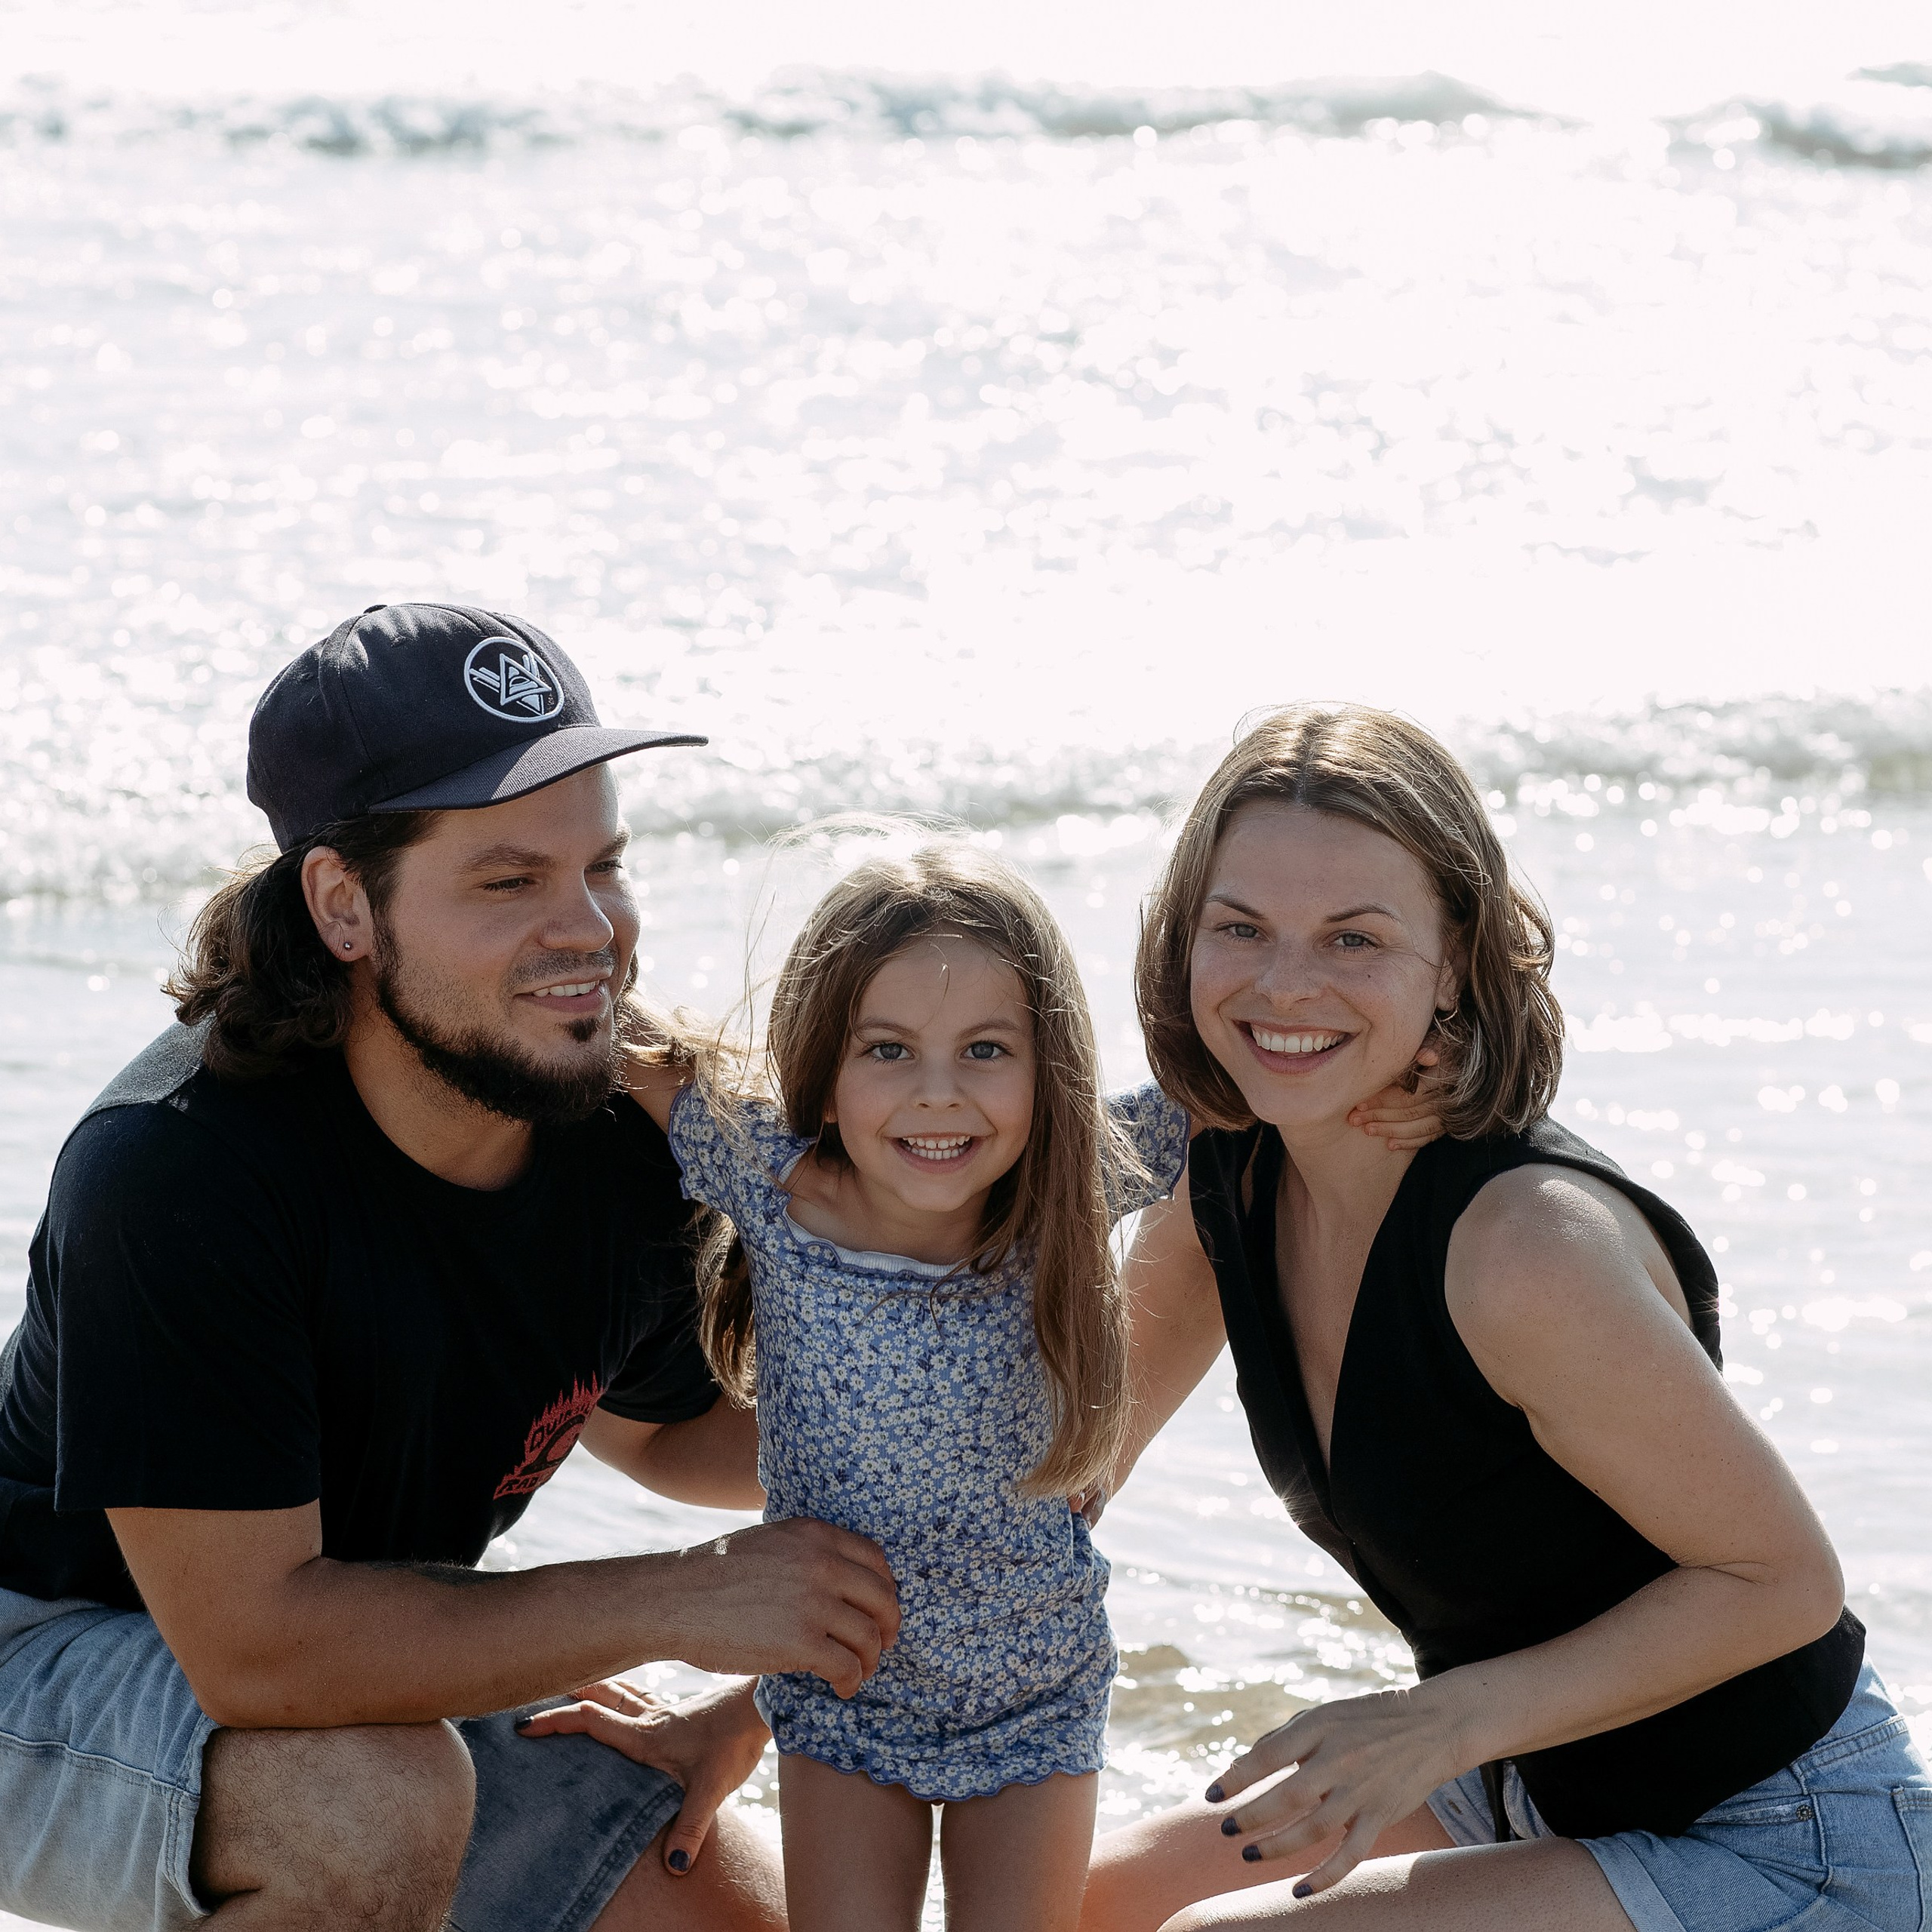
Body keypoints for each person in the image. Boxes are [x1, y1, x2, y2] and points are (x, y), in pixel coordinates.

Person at [0, 602, 901, 1932]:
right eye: (508, 880)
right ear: (344, 904)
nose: (590, 927)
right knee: (373, 1807)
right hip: (52, 1650)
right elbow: (258, 1651)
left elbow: (668, 1439)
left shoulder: (618, 1120)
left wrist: (911, 1390)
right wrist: (684, 1601)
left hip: (368, 1656)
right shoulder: (177, 1172)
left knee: (730, 1906)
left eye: (606, 864)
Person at [1075, 703, 1931, 1932]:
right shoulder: (1233, 1176)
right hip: (1540, 1787)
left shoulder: (1524, 1246)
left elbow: (1783, 1581)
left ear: (1458, 959)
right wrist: (766, 1698)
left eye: (1354, 938)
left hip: (1790, 1839)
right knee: (1062, 1903)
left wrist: (1434, 1725)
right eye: (1241, 928)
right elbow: (1053, 1478)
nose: (1284, 984)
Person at [580, 838, 1444, 1932]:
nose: (938, 1097)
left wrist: (1440, 1037)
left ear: (1049, 1069)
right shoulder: (770, 1174)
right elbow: (612, 1031)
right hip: (843, 1689)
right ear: (825, 1065)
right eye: (887, 1049)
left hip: (1035, 1692)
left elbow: (1279, 1072)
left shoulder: (1081, 1175)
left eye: (986, 1049)